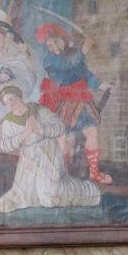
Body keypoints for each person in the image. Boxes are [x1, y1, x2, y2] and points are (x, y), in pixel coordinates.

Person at [0, 86, 100, 213]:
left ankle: (88, 191)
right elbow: (5, 145)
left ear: (19, 97)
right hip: (29, 160)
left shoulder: (38, 110)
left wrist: (41, 130)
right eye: (6, 102)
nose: (10, 103)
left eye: (12, 99)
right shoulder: (8, 122)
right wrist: (24, 134)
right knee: (22, 198)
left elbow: (59, 126)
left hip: (49, 154)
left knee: (51, 199)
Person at [36, 22, 113, 184]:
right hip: (61, 104)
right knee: (64, 140)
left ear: (64, 39)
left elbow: (85, 74)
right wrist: (84, 50)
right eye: (49, 44)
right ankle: (62, 175)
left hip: (81, 101)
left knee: (92, 132)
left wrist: (101, 85)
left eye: (56, 42)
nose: (54, 47)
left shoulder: (74, 54)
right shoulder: (49, 60)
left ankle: (94, 172)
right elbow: (66, 68)